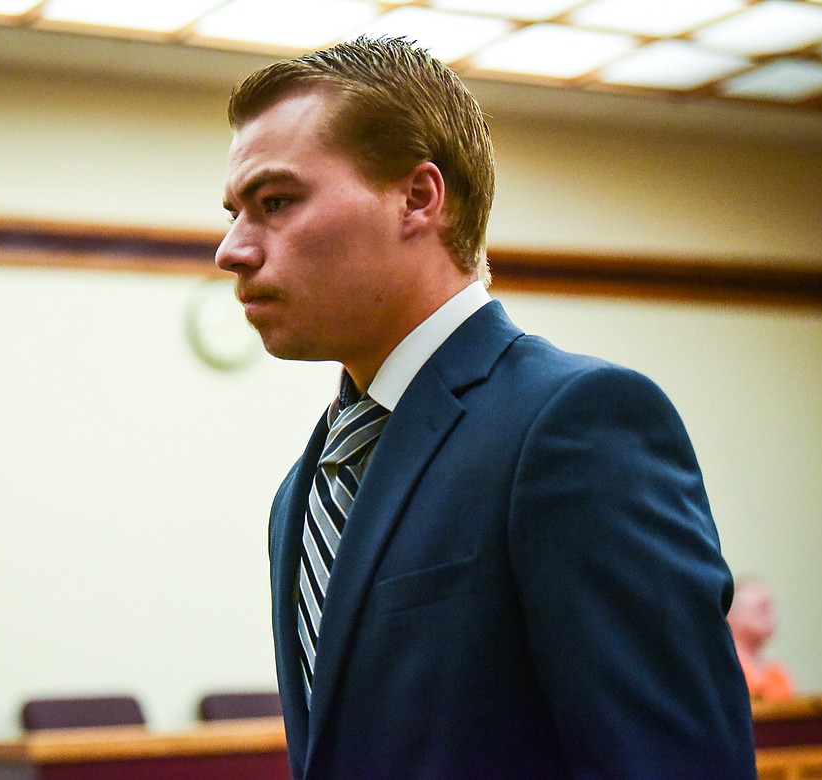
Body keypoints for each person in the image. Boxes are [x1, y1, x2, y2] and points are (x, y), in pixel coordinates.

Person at [215, 36, 756, 779]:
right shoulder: (298, 492)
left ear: (418, 198)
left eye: (275, 202)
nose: (232, 249)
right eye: (235, 212)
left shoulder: (576, 423)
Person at [729, 576, 796, 701]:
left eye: (770, 607)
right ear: (732, 615)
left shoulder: (777, 675)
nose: (770, 615)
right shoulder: (725, 671)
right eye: (762, 607)